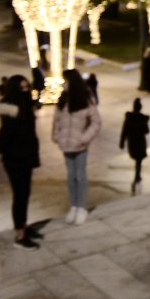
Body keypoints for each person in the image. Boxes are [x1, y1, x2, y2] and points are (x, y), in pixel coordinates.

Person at [0, 75, 42, 250]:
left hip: (25, 159)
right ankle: (20, 235)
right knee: (20, 196)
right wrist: (19, 154)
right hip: (16, 162)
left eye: (27, 87)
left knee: (25, 194)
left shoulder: (24, 108)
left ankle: (24, 226)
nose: (26, 91)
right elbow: (2, 143)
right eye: (22, 88)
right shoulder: (12, 114)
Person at [52, 69, 101, 225]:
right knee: (71, 176)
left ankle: (82, 207)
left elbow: (96, 122)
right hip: (66, 145)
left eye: (65, 81)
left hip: (80, 146)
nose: (64, 84)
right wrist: (57, 136)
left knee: (80, 175)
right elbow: (56, 120)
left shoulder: (85, 99)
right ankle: (73, 206)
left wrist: (83, 138)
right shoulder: (62, 99)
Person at [119, 98, 150, 191]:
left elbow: (124, 131)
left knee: (136, 157)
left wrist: (122, 142)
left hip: (132, 141)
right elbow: (147, 131)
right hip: (140, 141)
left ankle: (137, 175)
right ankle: (137, 175)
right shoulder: (143, 119)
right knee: (139, 160)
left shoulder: (128, 118)